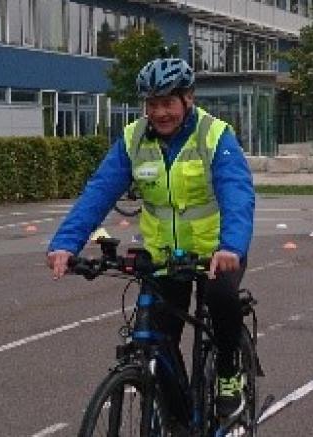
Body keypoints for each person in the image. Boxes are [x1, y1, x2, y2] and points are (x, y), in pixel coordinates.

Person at [46, 57, 255, 420]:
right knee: (161, 342)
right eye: (152, 104)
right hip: (163, 257)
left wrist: (231, 246)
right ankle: (177, 418)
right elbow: (99, 191)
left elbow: (237, 192)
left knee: (223, 300)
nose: (160, 113)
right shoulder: (133, 139)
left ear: (187, 99)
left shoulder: (214, 134)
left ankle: (226, 373)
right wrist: (66, 242)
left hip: (214, 254)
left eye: (167, 103)